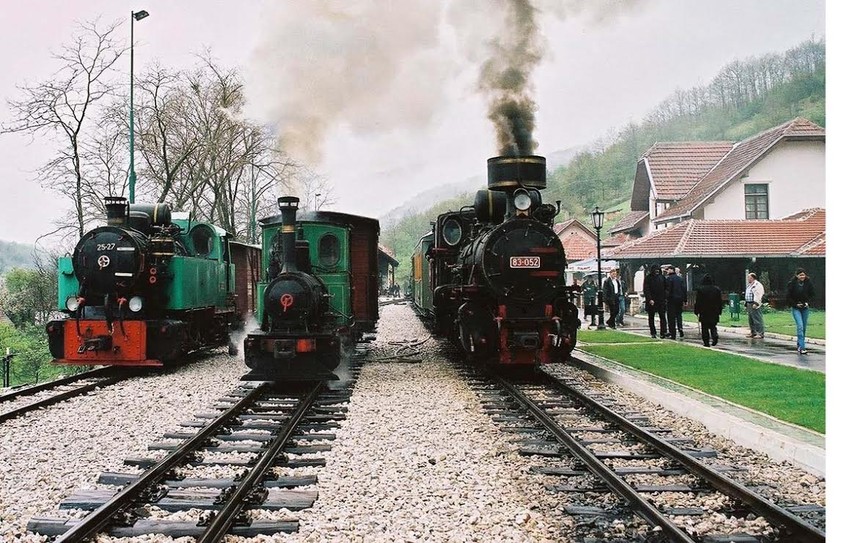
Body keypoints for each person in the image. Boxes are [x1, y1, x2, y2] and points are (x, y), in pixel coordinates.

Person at [786, 268, 815, 354]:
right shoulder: (791, 284)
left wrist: (807, 303)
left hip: (805, 308)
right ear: (796, 276)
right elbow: (788, 296)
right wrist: (795, 304)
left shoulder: (808, 283)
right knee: (800, 326)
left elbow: (812, 294)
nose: (802, 276)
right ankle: (802, 348)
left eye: (803, 275)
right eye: (800, 275)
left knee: (804, 327)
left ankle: (799, 344)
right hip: (796, 308)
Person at [694, 274, 723, 346]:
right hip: (714, 310)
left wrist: (696, 310)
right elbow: (720, 301)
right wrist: (720, 310)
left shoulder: (701, 290)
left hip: (704, 311)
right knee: (713, 325)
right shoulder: (717, 289)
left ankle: (706, 342)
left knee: (705, 327)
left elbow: (698, 301)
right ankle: (714, 335)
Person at [643, 264, 668, 338]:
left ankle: (663, 332)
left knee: (662, 317)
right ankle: (653, 332)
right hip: (652, 300)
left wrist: (665, 296)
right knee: (651, 317)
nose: (657, 271)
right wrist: (650, 299)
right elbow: (646, 289)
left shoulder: (662, 277)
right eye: (655, 270)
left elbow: (666, 287)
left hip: (661, 300)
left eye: (658, 270)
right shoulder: (648, 278)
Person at [665, 266, 687, 339]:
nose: (667, 271)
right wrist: (685, 300)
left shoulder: (669, 279)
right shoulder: (680, 279)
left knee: (671, 317)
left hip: (671, 300)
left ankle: (672, 332)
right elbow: (684, 289)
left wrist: (666, 298)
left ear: (671, 270)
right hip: (679, 300)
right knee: (678, 315)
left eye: (668, 270)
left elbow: (668, 290)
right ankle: (680, 328)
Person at [745, 272, 765, 339]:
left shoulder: (757, 285)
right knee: (751, 319)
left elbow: (758, 295)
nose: (748, 279)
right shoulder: (750, 285)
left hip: (754, 303)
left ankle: (760, 333)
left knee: (757, 318)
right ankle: (753, 332)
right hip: (749, 303)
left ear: (753, 278)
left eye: (749, 277)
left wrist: (756, 303)